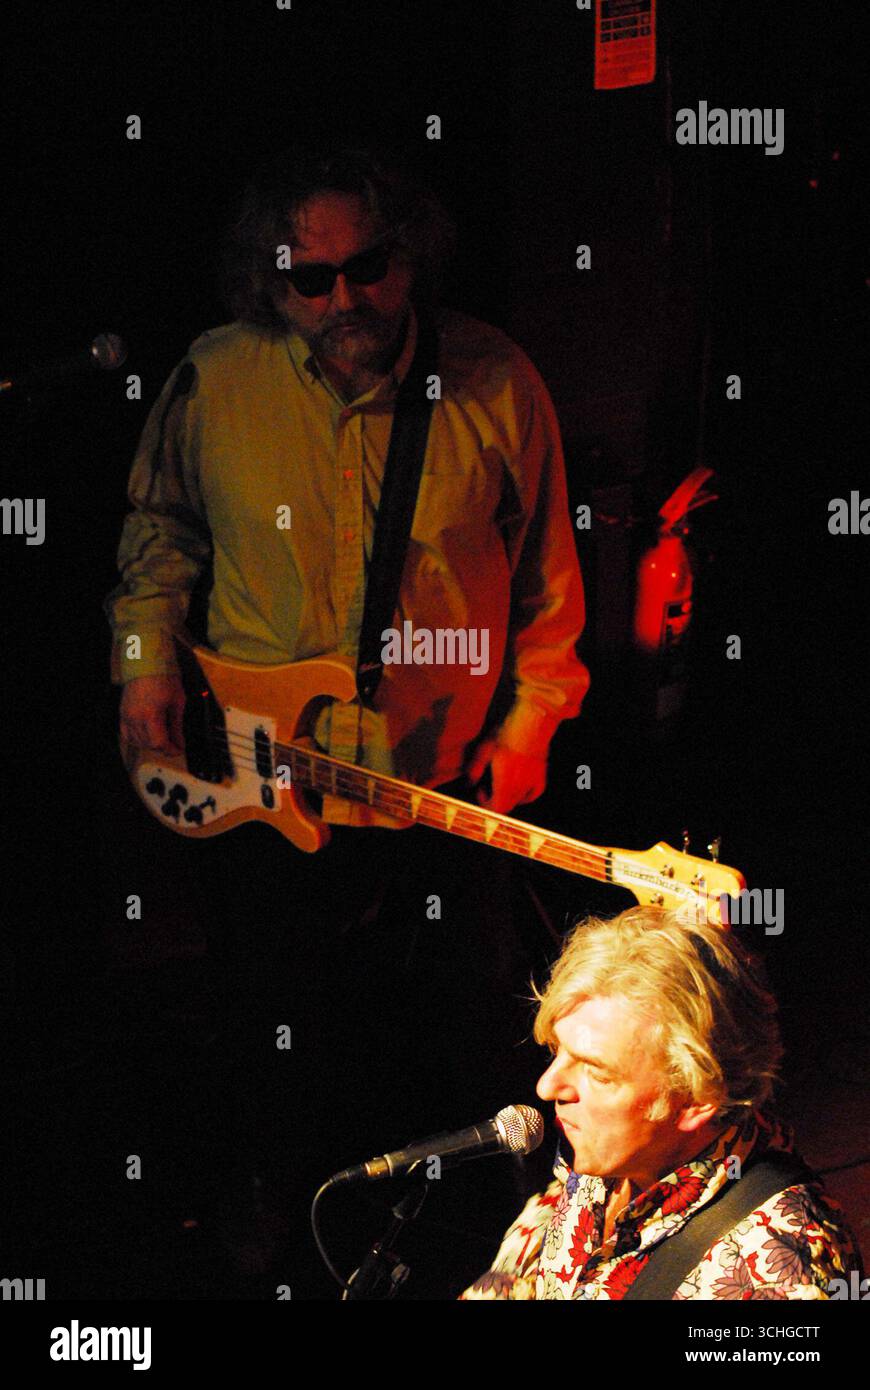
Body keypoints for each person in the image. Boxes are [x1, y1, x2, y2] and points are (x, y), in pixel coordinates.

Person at [102, 143, 590, 1268]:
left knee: (465, 1042)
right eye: (306, 277)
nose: (343, 299)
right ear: (266, 283)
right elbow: (157, 537)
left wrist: (528, 726)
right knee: (277, 1039)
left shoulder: (495, 381)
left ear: (409, 252)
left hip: (440, 794)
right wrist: (144, 666)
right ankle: (290, 1228)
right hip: (255, 787)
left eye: (366, 266)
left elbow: (551, 588)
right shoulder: (215, 378)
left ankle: (480, 1251)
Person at [461, 906, 863, 1300]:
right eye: (556, 1051)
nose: (548, 1087)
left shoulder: (778, 1276)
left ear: (694, 1100)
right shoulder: (612, 1153)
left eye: (598, 1073)